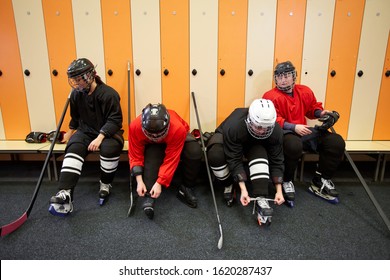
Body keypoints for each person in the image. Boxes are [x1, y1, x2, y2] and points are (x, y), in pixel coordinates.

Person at [49, 58, 124, 216]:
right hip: (86, 131)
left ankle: (105, 184)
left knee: (109, 148)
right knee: (74, 145)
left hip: (110, 132)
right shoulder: (76, 95)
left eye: (79, 79)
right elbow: (75, 118)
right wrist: (69, 133)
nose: (77, 83)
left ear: (90, 76)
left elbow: (115, 120)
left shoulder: (109, 94)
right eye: (74, 80)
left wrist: (100, 137)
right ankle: (65, 193)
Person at [263, 61, 345, 204]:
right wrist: (293, 127)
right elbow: (272, 119)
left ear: (294, 76)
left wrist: (323, 114)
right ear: (275, 78)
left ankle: (321, 179)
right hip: (285, 133)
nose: (283, 79)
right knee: (293, 145)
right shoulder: (270, 96)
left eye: (287, 76)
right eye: (279, 76)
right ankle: (286, 181)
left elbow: (312, 109)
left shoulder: (305, 91)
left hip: (304, 131)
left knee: (336, 141)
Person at [207, 99, 285, 226]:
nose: (262, 131)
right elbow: (234, 159)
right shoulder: (234, 126)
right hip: (230, 136)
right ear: (250, 120)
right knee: (216, 155)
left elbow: (277, 160)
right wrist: (243, 188)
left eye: (266, 128)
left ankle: (261, 195)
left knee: (260, 152)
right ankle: (229, 184)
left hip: (254, 143)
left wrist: (279, 190)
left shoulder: (275, 130)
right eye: (259, 126)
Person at [128, 103, 202, 219]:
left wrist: (160, 183)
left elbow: (171, 159)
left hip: (175, 137)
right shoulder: (135, 126)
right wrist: (139, 180)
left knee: (194, 151)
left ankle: (186, 188)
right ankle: (148, 193)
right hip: (150, 143)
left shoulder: (177, 128)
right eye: (152, 135)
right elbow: (135, 154)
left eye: (158, 135)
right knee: (153, 153)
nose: (156, 137)